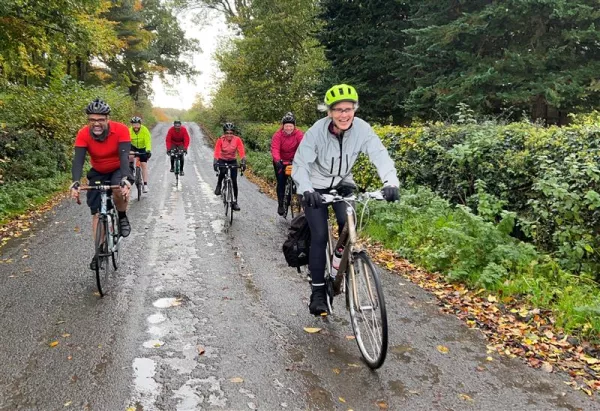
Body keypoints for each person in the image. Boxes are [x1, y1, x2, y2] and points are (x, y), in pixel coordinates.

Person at [292, 84, 400, 316]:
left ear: (355, 109)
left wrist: (391, 182)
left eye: (348, 109)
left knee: (348, 228)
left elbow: (379, 154)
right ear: (329, 112)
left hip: (342, 184)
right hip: (315, 188)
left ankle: (340, 267)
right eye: (338, 109)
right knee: (320, 235)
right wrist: (307, 189)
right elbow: (300, 164)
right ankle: (318, 292)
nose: (344, 114)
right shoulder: (316, 132)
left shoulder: (362, 129)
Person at [70, 98, 132, 270]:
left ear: (107, 119)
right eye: (92, 120)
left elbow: (124, 158)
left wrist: (125, 180)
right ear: (88, 120)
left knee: (119, 189)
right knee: (97, 212)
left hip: (119, 168)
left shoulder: (120, 130)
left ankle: (122, 216)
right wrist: (75, 182)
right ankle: (99, 250)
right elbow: (78, 161)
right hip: (98, 171)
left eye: (100, 120)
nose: (96, 123)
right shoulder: (83, 133)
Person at [271, 112, 304, 215]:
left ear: (294, 126)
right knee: (281, 182)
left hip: (295, 160)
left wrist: (303, 159)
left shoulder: (298, 134)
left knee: (298, 180)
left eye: (290, 126)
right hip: (281, 160)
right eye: (286, 126)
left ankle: (297, 199)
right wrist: (277, 160)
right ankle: (281, 204)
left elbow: (303, 147)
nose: (288, 128)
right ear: (283, 126)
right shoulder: (278, 135)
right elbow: (275, 149)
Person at [213, 122, 246, 211]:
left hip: (232, 160)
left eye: (231, 133)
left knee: (234, 181)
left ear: (233, 133)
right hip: (222, 159)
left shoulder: (237, 140)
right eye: (227, 133)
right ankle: (219, 184)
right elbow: (217, 151)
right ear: (224, 133)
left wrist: (243, 160)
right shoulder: (220, 140)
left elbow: (241, 150)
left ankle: (234, 202)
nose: (229, 135)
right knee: (222, 172)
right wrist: (215, 161)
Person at [129, 116, 152, 192]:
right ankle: (131, 169)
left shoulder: (144, 130)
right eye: (134, 124)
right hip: (133, 147)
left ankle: (145, 185)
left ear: (140, 124)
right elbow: (127, 141)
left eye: (137, 124)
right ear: (132, 125)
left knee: (144, 165)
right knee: (131, 155)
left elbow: (148, 141)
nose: (135, 126)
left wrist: (148, 150)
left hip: (143, 147)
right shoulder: (130, 130)